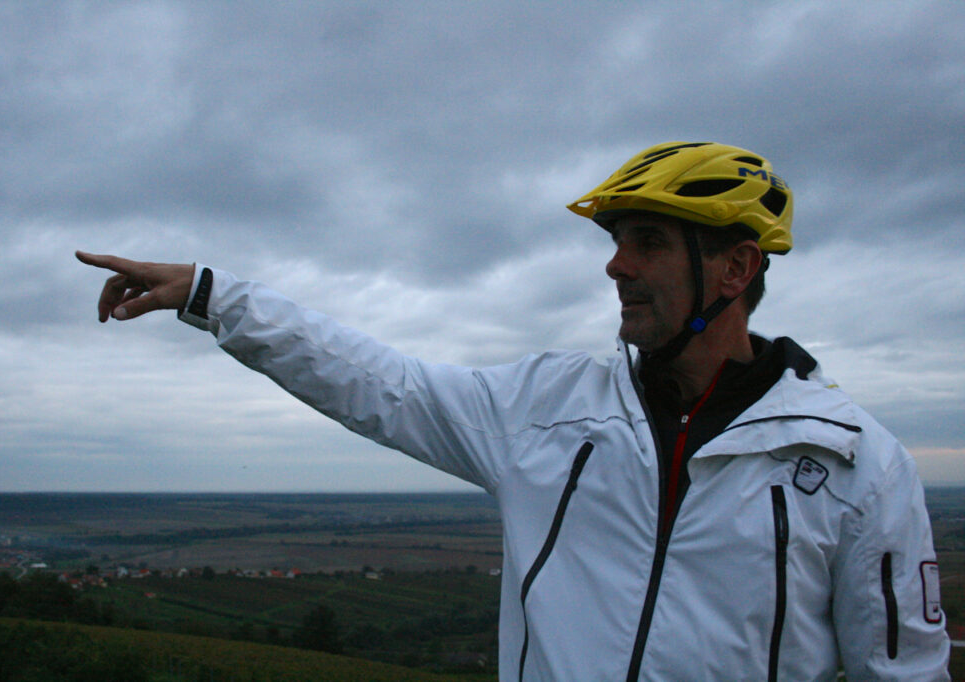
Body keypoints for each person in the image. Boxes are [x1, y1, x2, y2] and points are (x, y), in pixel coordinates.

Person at [77, 141, 951, 680]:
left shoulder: (853, 465)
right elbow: (386, 385)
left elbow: (901, 673)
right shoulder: (547, 410)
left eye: (647, 242)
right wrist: (215, 297)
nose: (616, 267)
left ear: (735, 271)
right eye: (615, 242)